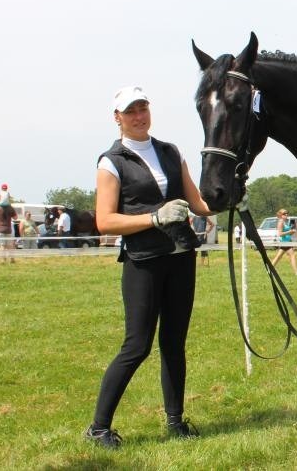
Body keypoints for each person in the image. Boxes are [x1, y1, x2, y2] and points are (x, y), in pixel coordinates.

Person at [85, 85, 213, 450]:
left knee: (174, 342)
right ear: (118, 118)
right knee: (137, 345)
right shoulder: (112, 162)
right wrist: (153, 218)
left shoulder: (171, 152)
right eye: (130, 111)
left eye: (143, 108)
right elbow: (105, 221)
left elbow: (198, 202)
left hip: (181, 258)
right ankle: (98, 427)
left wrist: (228, 198)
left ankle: (175, 421)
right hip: (143, 262)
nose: (139, 116)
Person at [270, 209, 297, 276]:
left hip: (287, 241)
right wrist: (289, 232)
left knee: (278, 256)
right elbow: (280, 234)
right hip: (284, 242)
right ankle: (296, 272)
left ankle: (270, 269)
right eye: (284, 214)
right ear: (281, 215)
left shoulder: (285, 222)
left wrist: (291, 232)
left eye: (287, 213)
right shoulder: (280, 222)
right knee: (292, 255)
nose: (286, 215)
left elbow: (287, 233)